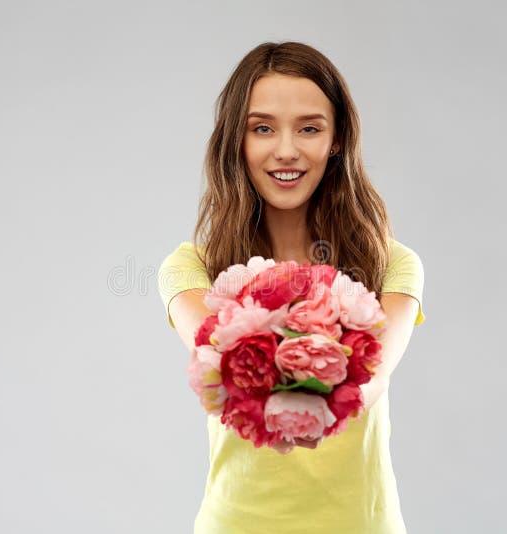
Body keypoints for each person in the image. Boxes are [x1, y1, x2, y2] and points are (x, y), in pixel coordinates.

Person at [157, 41, 426, 534]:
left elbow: (368, 379)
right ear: (236, 142)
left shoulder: (394, 266)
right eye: (262, 128)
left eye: (309, 128)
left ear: (337, 138)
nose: (286, 149)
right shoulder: (188, 269)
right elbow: (226, 365)